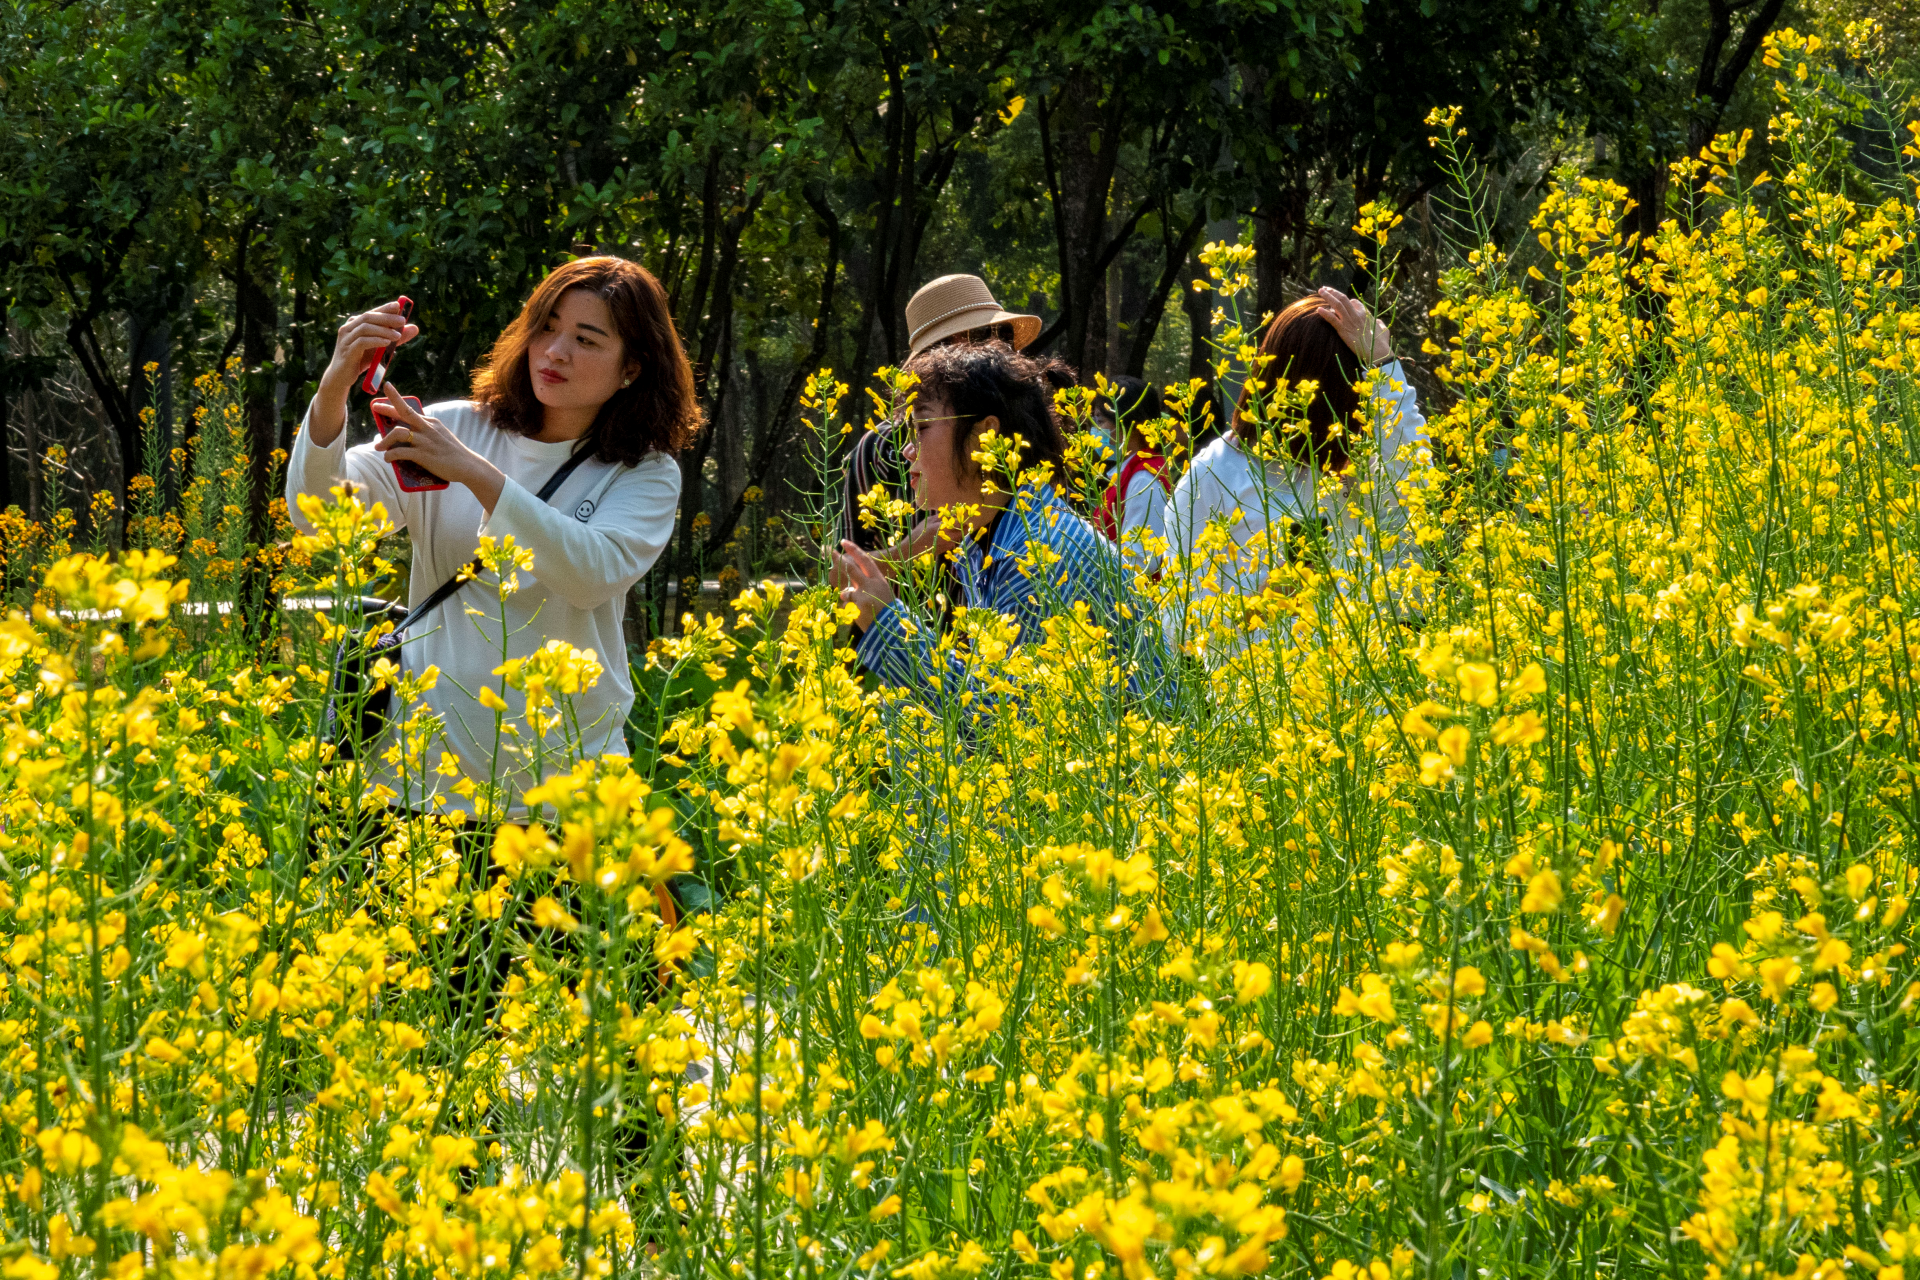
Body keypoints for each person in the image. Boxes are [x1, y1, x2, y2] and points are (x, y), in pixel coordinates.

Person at [287, 256, 700, 812]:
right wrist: (334, 389)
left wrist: (474, 473)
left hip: (561, 796)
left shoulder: (643, 473)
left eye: (586, 339)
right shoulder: (455, 427)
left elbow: (589, 575)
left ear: (633, 367)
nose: (555, 351)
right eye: (547, 327)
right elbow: (320, 515)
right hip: (417, 785)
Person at [830, 342, 1156, 721]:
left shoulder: (1033, 554)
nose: (906, 451)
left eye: (921, 427)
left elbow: (998, 724)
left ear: (985, 435)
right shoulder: (997, 532)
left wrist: (887, 626)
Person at [1162, 286, 1428, 651]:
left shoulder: (1357, 466)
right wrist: (1264, 602)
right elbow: (1177, 627)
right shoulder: (1214, 475)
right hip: (1262, 702)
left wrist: (1383, 364)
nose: (1362, 415)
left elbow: (1418, 488)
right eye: (1356, 396)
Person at [835, 275, 1040, 554]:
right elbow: (839, 571)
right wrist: (911, 550)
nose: (1003, 354)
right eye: (987, 339)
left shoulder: (1028, 431)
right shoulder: (880, 448)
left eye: (1005, 338)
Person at [1092, 376, 1182, 575]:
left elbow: (1143, 562)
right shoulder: (1128, 472)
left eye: (1101, 421)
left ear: (1128, 424)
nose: (1097, 431)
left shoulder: (1144, 479)